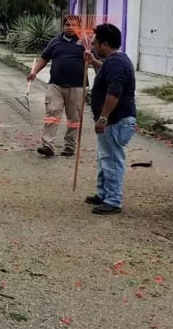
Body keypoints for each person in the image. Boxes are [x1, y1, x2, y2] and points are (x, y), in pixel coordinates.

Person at [85, 23, 137, 216]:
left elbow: (114, 92)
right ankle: (103, 193)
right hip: (112, 120)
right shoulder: (113, 61)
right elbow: (105, 72)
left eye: (96, 43)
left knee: (112, 159)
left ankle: (113, 200)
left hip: (115, 120)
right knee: (105, 157)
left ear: (104, 44)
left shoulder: (116, 63)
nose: (94, 46)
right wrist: (93, 62)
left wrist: (103, 118)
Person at [28, 15, 86, 157]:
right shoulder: (55, 42)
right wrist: (34, 72)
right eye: (67, 25)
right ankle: (48, 145)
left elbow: (96, 59)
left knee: (74, 118)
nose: (70, 28)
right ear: (63, 26)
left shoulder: (85, 42)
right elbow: (44, 58)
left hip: (77, 86)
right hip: (56, 85)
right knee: (52, 114)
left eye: (73, 25)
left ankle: (69, 146)